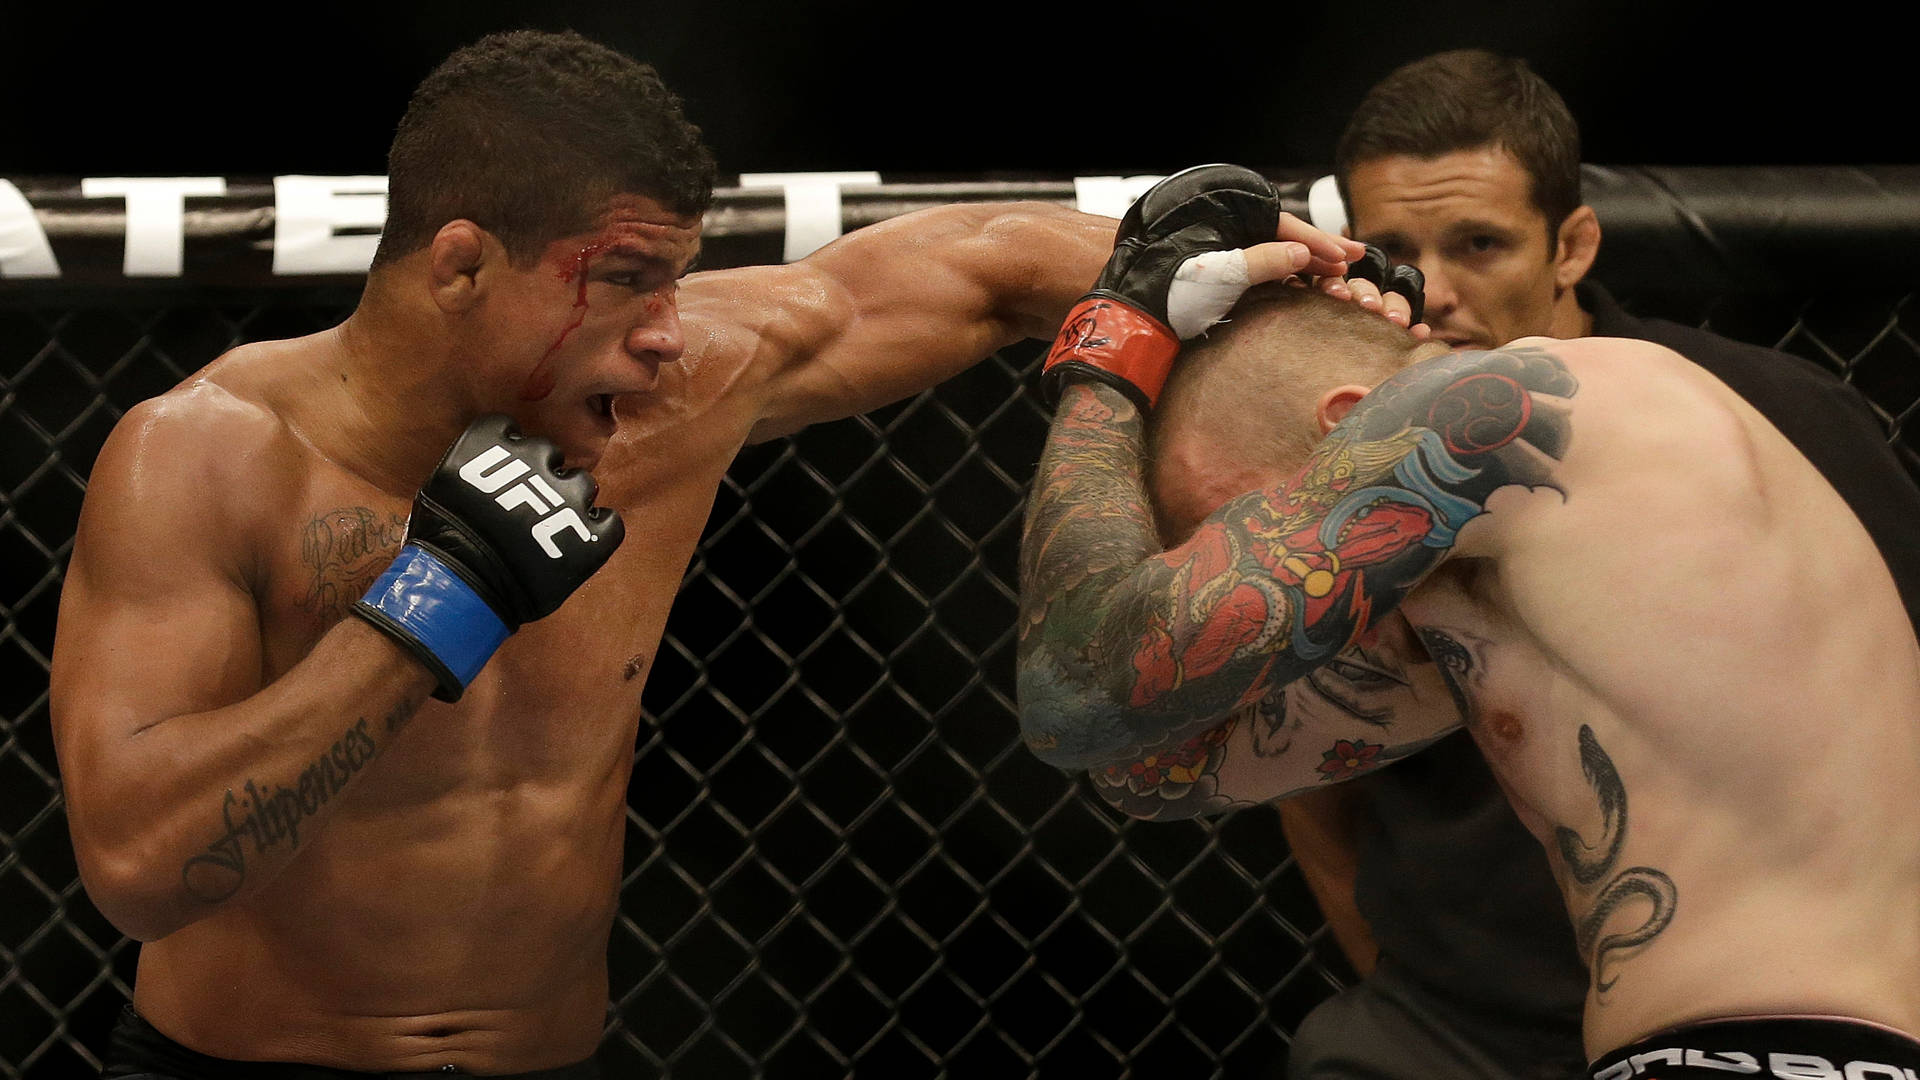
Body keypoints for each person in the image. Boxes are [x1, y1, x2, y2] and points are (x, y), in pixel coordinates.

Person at [48, 33, 1376, 1078]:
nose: (672, 333)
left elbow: (984, 265)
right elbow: (136, 869)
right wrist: (432, 608)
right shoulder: (209, 457)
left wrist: (1261, 288)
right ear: (458, 266)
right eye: (626, 279)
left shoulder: (669, 393)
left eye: (678, 281)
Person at [1015, 166, 1920, 1077]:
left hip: (1751, 1048)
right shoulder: (1583, 564)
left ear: (1347, 428)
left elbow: (1082, 682)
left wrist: (1109, 352)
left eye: (1233, 524)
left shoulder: (1491, 408)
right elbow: (1137, 757)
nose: (1221, 567)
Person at [1275, 48, 1920, 1079]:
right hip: (1452, 1027)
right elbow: (1307, 789)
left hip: (1746, 1018)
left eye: (1480, 244)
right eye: (1389, 250)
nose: (1431, 291)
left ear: (1572, 247)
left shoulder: (1776, 422)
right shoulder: (1344, 466)